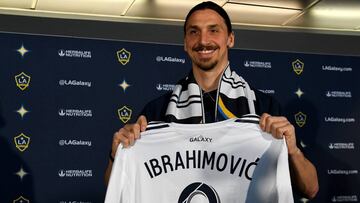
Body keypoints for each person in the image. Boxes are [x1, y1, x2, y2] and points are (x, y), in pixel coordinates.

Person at [105, 1, 319, 199]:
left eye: (213, 30)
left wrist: (292, 150)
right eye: (194, 32)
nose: (203, 40)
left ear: (230, 39)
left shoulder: (264, 108)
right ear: (185, 43)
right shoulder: (156, 112)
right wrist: (118, 154)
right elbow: (116, 189)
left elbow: (310, 189)